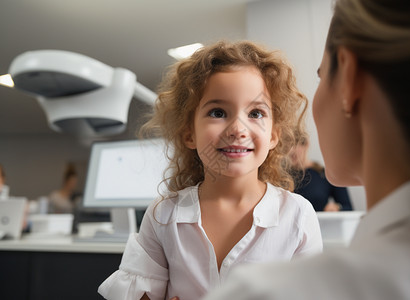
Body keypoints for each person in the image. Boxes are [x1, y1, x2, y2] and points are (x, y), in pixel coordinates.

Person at [202, 0, 410, 299]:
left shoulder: (266, 292)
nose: (238, 129)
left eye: (320, 76)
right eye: (217, 112)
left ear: (348, 76)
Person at [98, 41, 323, 300]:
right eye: (218, 112)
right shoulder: (163, 214)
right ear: (189, 134)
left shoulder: (297, 216)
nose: (238, 129)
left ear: (273, 135)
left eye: (256, 113)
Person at [290, 134, 352, 211]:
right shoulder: (281, 177)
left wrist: (337, 208)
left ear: (306, 144)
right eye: (286, 146)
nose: (290, 150)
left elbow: (348, 207)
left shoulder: (326, 174)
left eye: (294, 144)